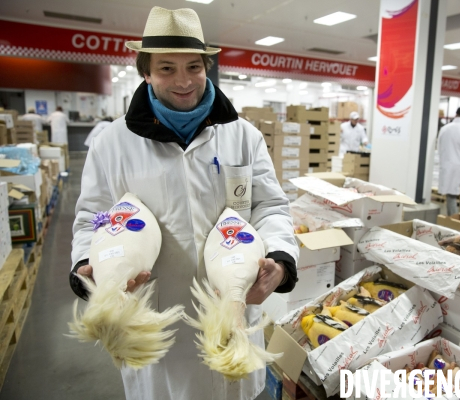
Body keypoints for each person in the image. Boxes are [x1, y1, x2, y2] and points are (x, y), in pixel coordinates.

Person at [70, 7, 298, 400]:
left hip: (233, 310)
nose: (183, 81)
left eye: (193, 66)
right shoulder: (113, 143)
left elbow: (270, 207)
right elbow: (95, 217)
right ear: (146, 72)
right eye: (166, 68)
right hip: (155, 322)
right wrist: (89, 270)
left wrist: (279, 262)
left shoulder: (242, 135)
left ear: (206, 67)